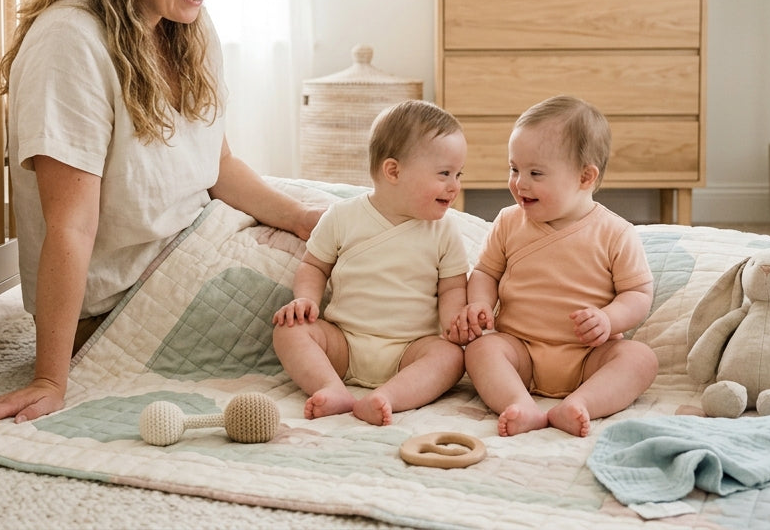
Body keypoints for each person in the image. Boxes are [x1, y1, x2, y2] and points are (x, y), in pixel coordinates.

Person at [0, 0, 321, 433]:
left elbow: (216, 165)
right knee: (393, 266)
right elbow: (69, 226)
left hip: (199, 238)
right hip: (132, 299)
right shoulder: (71, 43)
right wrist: (49, 378)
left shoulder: (184, 23)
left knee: (378, 218)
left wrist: (302, 218)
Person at [453, 95, 658, 437]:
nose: (520, 182)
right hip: (521, 352)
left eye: (535, 173)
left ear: (584, 177)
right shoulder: (507, 222)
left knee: (640, 359)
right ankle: (519, 403)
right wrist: (480, 304)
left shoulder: (615, 233)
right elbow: (486, 272)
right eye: (514, 168)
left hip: (589, 357)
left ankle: (580, 404)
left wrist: (609, 319)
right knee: (480, 349)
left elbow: (637, 293)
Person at [272, 100, 470, 426]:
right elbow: (314, 266)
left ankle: (388, 397)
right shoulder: (342, 216)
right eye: (444, 174)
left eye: (459, 174)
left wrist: (452, 323)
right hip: (344, 343)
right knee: (288, 330)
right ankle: (330, 387)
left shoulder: (444, 229)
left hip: (410, 350)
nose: (455, 186)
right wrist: (305, 300)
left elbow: (452, 286)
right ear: (393, 171)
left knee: (450, 357)